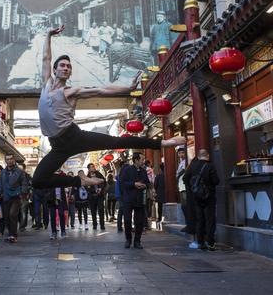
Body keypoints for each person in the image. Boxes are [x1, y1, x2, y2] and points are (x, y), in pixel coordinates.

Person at [32, 25, 185, 191]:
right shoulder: (46, 84)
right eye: (62, 65)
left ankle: (163, 142)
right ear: (54, 70)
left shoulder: (71, 91)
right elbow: (46, 58)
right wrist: (48, 35)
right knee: (38, 180)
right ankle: (80, 181)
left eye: (68, 67)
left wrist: (127, 89)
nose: (66, 68)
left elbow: (101, 90)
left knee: (118, 141)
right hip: (57, 145)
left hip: (73, 137)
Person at [183, 149, 220, 251]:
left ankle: (200, 242)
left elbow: (185, 178)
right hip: (209, 196)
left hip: (196, 197)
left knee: (199, 219)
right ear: (207, 155)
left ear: (198, 156)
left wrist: (193, 187)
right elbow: (216, 181)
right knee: (210, 219)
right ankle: (211, 243)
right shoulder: (210, 166)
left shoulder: (192, 166)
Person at [120, 152, 150, 249]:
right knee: (127, 220)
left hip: (140, 199)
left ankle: (137, 241)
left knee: (139, 222)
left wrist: (145, 185)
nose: (143, 161)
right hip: (128, 199)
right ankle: (128, 239)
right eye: (142, 159)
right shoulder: (127, 170)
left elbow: (147, 183)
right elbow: (123, 183)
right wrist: (134, 184)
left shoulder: (143, 171)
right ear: (136, 160)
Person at [0, 153, 24, 243]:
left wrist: (21, 193)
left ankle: (14, 235)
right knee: (7, 216)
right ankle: (10, 234)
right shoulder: (3, 172)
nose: (9, 161)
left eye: (11, 159)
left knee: (13, 214)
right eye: (7, 159)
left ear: (14, 160)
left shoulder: (19, 171)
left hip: (16, 197)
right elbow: (0, 185)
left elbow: (24, 183)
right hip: (6, 197)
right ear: (5, 161)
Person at [87, 164, 106, 231]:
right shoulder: (87, 177)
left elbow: (104, 181)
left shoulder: (98, 174)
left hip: (99, 196)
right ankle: (94, 224)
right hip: (92, 196)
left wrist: (100, 188)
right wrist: (92, 190)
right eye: (92, 167)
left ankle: (102, 225)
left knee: (101, 210)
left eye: (93, 166)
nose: (93, 168)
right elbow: (86, 187)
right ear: (89, 169)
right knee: (93, 211)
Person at [19, 164, 33, 232]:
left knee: (24, 212)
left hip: (25, 196)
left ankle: (22, 226)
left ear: (24, 169)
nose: (19, 170)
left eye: (21, 168)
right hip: (16, 196)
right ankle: (20, 224)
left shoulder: (28, 176)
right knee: (16, 212)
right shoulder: (15, 176)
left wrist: (29, 194)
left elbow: (31, 186)